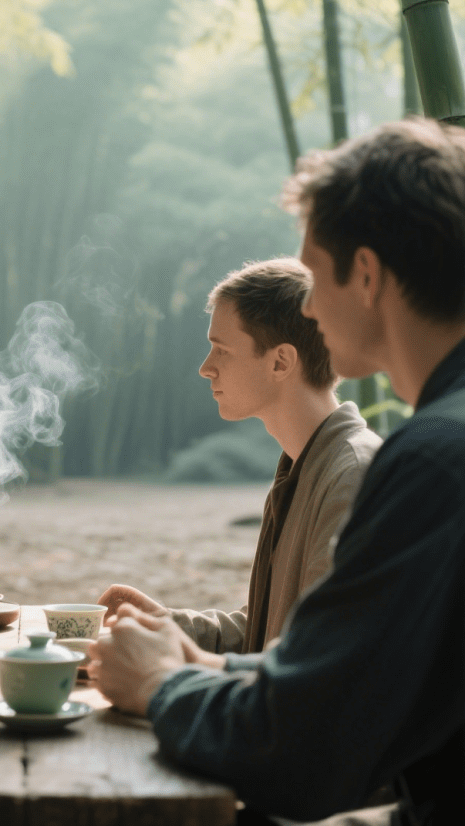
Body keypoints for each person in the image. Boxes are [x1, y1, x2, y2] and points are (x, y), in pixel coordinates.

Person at [90, 119, 465, 825]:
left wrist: (163, 684)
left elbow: (306, 746)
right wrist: (195, 658)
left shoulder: (429, 457)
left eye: (314, 274)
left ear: (365, 273)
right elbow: (350, 679)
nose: (312, 309)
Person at [98, 258, 381, 654]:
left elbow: (313, 663)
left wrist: (161, 680)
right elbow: (271, 633)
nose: (205, 368)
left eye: (221, 350)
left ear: (280, 362)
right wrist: (165, 624)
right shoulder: (304, 466)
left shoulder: (351, 478)